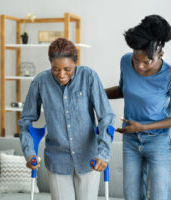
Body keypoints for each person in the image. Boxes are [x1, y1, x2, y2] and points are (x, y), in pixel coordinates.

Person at [19, 38, 116, 200]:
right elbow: (25, 122)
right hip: (57, 159)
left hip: (89, 159)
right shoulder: (40, 82)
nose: (61, 75)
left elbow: (106, 117)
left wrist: (103, 153)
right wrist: (29, 153)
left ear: (75, 63)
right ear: (50, 64)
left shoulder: (89, 77)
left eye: (67, 69)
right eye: (55, 69)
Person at [105, 15, 171, 200]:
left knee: (159, 196)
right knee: (132, 196)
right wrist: (97, 93)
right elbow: (124, 89)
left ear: (161, 55)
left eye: (147, 61)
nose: (139, 66)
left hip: (159, 142)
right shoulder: (125, 61)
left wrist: (143, 127)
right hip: (131, 141)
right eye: (136, 58)